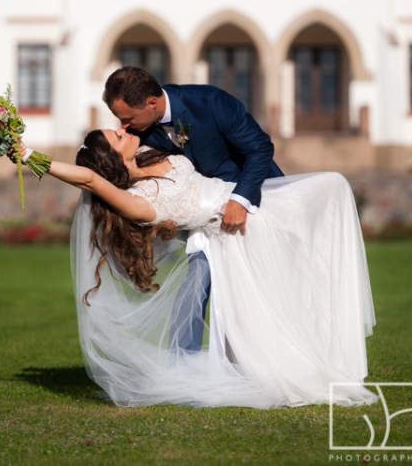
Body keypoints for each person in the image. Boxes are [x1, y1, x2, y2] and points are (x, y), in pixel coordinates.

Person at [17, 128, 376, 409]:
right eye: (117, 137)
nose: (123, 132)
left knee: (332, 190)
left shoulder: (147, 153)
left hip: (247, 200)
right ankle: (307, 363)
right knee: (325, 201)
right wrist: (29, 156)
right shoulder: (138, 202)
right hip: (239, 231)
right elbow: (90, 180)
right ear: (111, 158)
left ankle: (332, 344)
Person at [102, 67, 284, 351]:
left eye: (128, 118)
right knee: (197, 280)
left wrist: (240, 199)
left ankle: (262, 355)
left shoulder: (211, 101)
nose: (124, 126)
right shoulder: (140, 131)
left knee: (260, 289)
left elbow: (259, 148)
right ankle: (185, 363)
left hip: (252, 204)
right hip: (205, 214)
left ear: (152, 103)